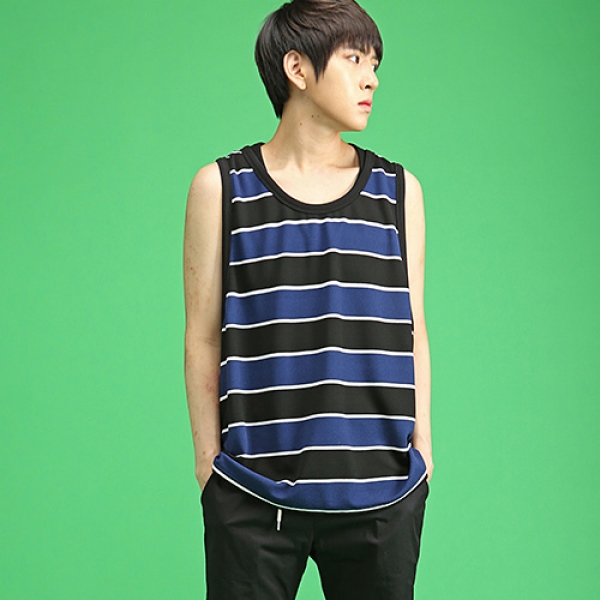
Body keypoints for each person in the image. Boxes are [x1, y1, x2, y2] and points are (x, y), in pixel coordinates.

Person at [183, 1, 433, 598]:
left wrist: (423, 455)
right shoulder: (221, 188)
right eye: (354, 60)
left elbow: (414, 327)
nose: (372, 79)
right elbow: (202, 336)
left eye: (375, 64)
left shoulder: (399, 191)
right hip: (251, 494)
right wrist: (209, 465)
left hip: (382, 495)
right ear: (297, 68)